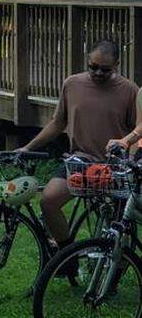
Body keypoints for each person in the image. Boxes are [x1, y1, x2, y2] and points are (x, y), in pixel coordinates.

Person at [18, 38, 137, 248]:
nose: (98, 73)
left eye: (105, 69)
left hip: (114, 167)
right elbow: (58, 123)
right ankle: (66, 255)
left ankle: (116, 264)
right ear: (87, 60)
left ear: (117, 65)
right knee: (49, 200)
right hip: (79, 160)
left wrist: (131, 160)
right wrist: (28, 147)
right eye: (93, 67)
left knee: (119, 228)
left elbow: (137, 132)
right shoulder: (72, 84)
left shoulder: (129, 91)